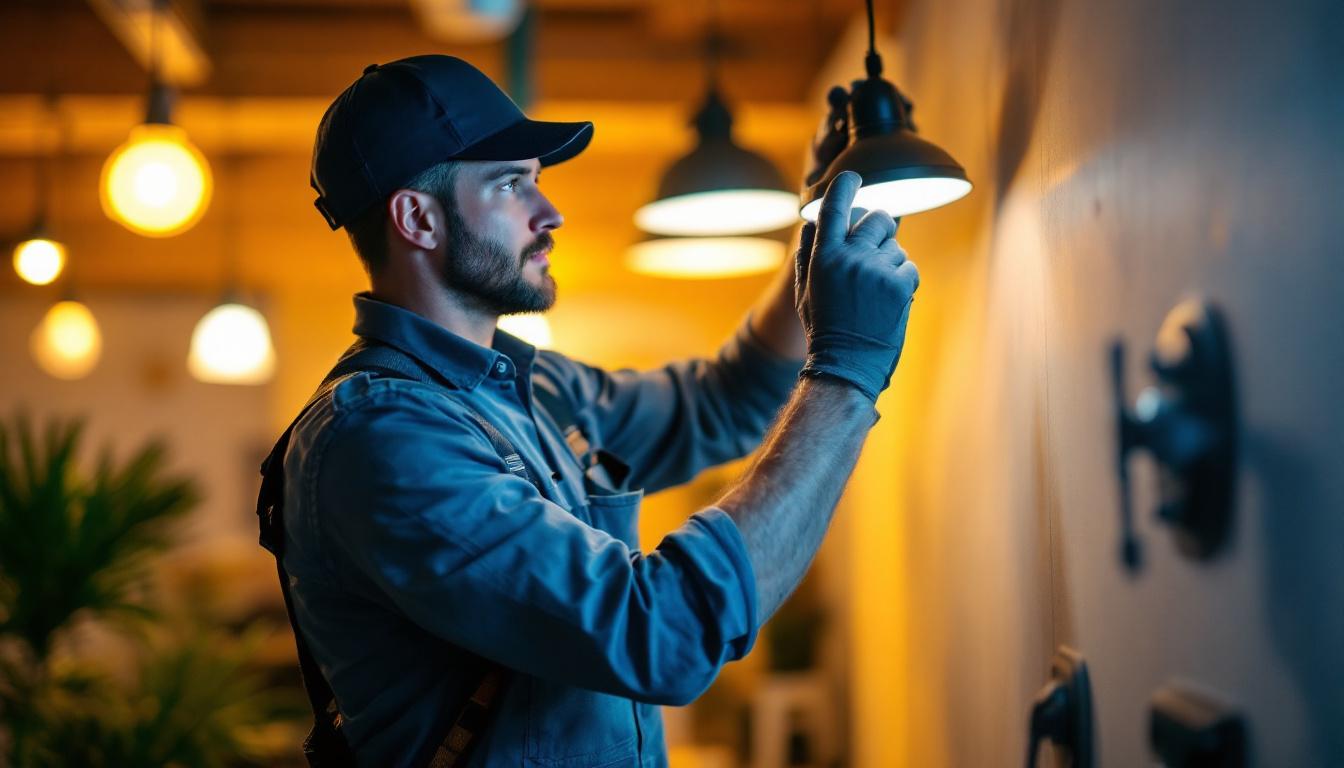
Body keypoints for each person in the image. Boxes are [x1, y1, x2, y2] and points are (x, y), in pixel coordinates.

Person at [265, 54, 918, 768]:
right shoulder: (382, 439)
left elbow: (724, 403)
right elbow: (660, 635)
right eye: (512, 185)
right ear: (417, 218)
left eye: (536, 181)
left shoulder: (533, 388)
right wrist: (848, 373)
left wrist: (815, 234)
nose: (551, 213)